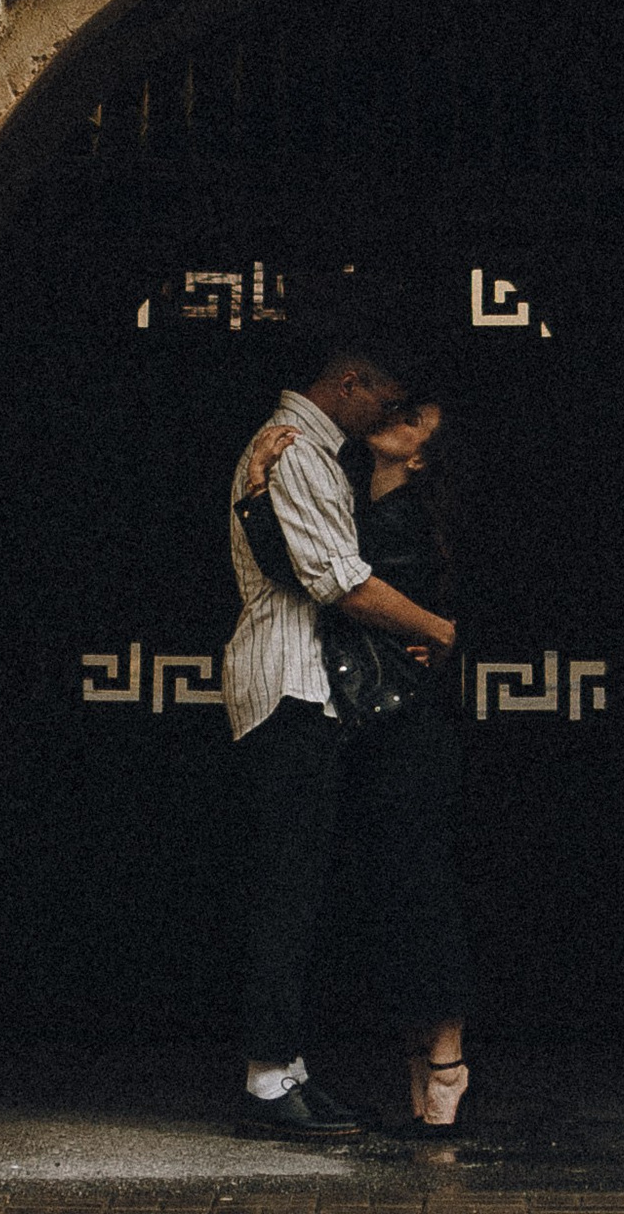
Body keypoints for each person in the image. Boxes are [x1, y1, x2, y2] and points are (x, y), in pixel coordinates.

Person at [223, 332, 458, 1143]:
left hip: (305, 686)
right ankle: (268, 1081)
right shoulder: (291, 451)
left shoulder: (313, 455)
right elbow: (339, 582)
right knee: (287, 888)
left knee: (300, 885)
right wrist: (437, 629)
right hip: (287, 685)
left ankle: (286, 1071)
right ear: (349, 384)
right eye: (386, 401)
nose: (390, 416)